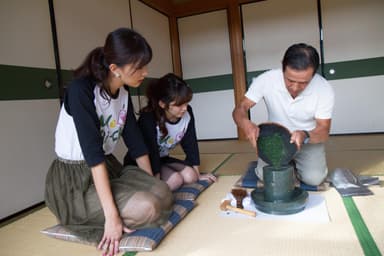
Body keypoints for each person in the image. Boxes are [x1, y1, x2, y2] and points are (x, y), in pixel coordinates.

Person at [44, 28, 173, 256]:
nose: (145, 72)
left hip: (106, 167)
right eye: (138, 67)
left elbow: (136, 143)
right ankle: (99, 214)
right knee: (148, 207)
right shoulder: (80, 91)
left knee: (163, 191)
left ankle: (122, 206)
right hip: (75, 181)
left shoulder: (123, 93)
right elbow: (93, 155)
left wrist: (150, 181)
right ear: (115, 69)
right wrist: (112, 218)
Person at [233, 43, 335, 186]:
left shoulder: (324, 88)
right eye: (290, 80)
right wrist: (246, 124)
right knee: (267, 177)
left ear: (314, 74)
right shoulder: (266, 79)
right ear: (282, 66)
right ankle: (288, 164)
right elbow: (240, 108)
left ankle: (294, 164)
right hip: (276, 139)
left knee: (314, 179)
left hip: (307, 140)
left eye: (303, 83)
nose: (295, 87)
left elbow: (324, 131)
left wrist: (305, 135)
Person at [124, 73, 216, 191]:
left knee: (191, 177)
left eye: (186, 103)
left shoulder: (187, 113)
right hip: (141, 163)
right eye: (178, 105)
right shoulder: (148, 118)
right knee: (175, 181)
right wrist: (155, 185)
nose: (184, 108)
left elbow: (190, 142)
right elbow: (151, 152)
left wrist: (198, 173)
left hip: (162, 158)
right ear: (162, 104)